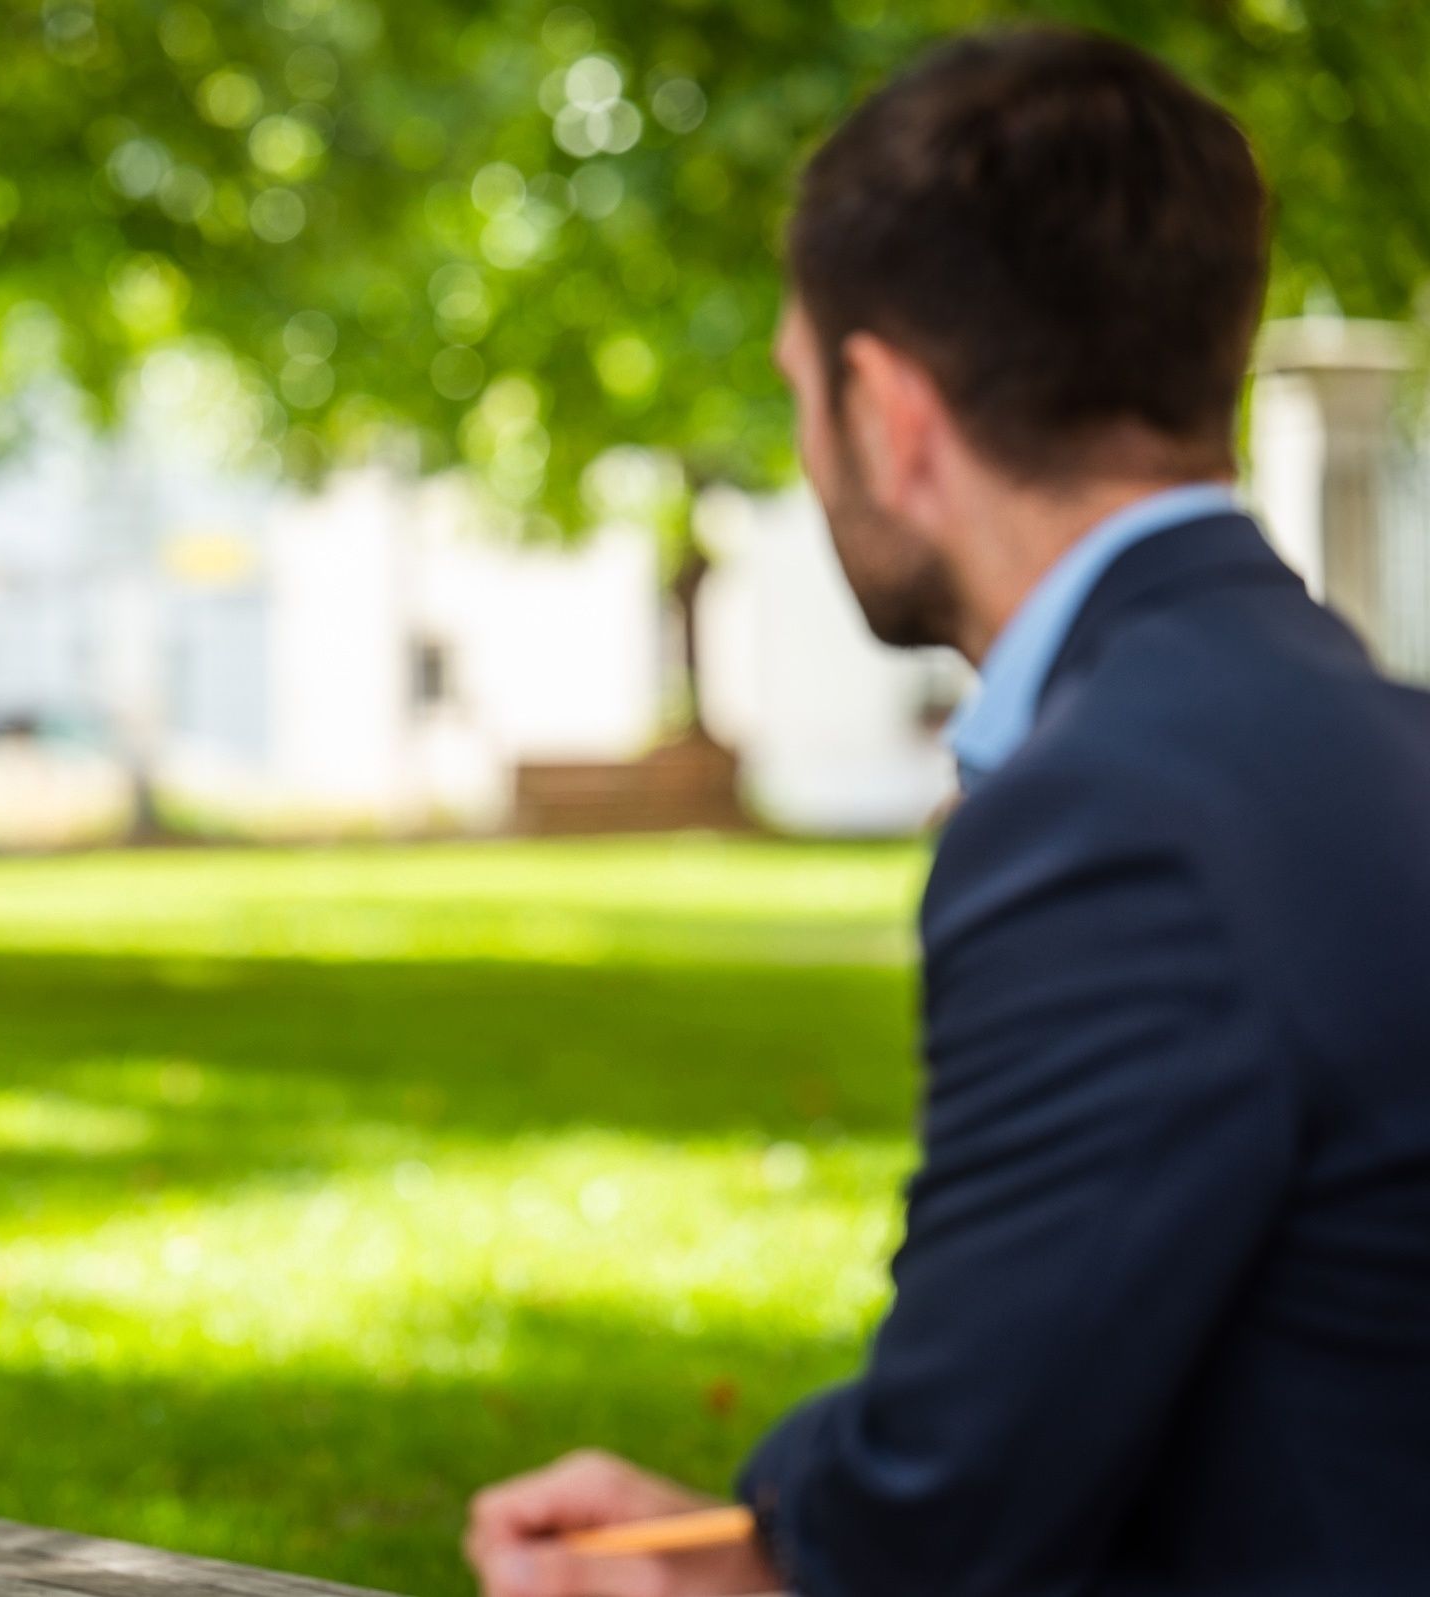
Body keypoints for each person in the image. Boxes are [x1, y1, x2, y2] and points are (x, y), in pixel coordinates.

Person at [468, 28, 1430, 1597]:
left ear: (890, 414)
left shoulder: (1116, 814)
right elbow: (1150, 1389)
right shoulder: (1366, 741)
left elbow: (949, 1503)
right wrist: (749, 1539)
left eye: (799, 393)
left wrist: (760, 1551)